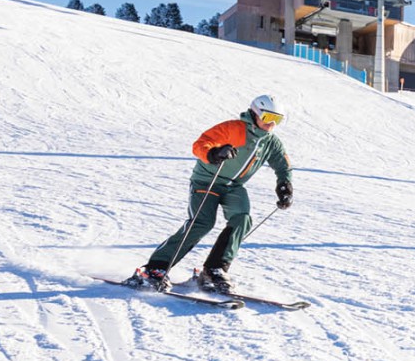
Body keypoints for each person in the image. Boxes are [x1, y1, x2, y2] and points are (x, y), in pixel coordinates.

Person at [125, 95, 294, 294]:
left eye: (277, 120)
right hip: (207, 180)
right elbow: (201, 144)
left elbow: (284, 166)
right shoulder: (234, 128)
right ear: (255, 113)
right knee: (202, 222)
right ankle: (156, 268)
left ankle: (214, 269)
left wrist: (285, 186)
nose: (271, 124)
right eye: (267, 117)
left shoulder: (271, 143)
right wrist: (214, 153)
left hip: (234, 186)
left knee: (242, 218)